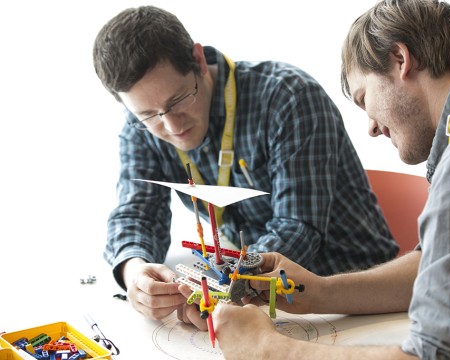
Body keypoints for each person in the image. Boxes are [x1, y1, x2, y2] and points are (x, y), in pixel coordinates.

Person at [211, 0, 450, 359]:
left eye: (364, 98)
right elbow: (446, 263)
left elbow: (442, 356)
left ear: (400, 58)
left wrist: (266, 348)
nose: (370, 127)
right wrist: (321, 292)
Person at [93, 6, 398, 321]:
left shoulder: (286, 96)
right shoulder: (140, 128)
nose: (170, 126)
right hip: (260, 298)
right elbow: (135, 214)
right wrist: (135, 271)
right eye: (148, 115)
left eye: (178, 100)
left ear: (198, 60)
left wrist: (221, 290)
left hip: (354, 296)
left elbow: (297, 229)